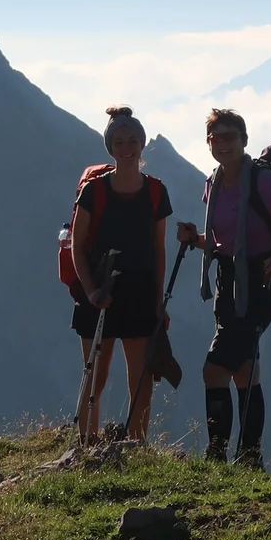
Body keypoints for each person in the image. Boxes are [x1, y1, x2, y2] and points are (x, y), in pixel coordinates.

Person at [174, 108, 271, 466]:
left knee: (213, 369)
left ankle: (218, 456)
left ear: (245, 140)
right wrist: (194, 239)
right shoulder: (213, 183)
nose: (223, 143)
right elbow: (222, 242)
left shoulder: (264, 181)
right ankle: (248, 459)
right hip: (228, 280)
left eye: (231, 136)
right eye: (216, 137)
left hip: (261, 281)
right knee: (244, 369)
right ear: (209, 143)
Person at [71, 106, 173, 443]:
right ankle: (88, 446)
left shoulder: (157, 192)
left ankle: (135, 445)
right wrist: (90, 291)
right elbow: (76, 244)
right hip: (101, 290)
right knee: (95, 377)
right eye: (119, 141)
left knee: (140, 377)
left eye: (132, 140)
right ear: (110, 147)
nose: (126, 147)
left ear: (142, 144)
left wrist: (158, 302)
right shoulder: (94, 191)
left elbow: (159, 249)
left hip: (140, 292)